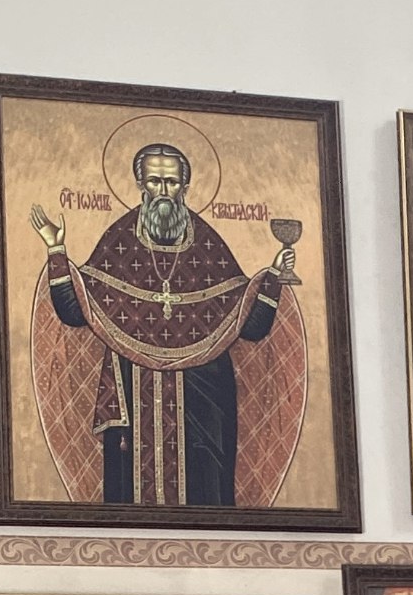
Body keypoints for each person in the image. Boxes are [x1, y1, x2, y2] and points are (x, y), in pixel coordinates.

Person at [32, 142, 291, 509]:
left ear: (185, 185)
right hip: (133, 383)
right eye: (155, 181)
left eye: (172, 182)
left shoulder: (208, 245)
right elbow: (76, 313)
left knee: (207, 487)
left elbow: (250, 328)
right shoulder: (119, 240)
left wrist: (274, 277)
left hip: (203, 391)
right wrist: (56, 251)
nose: (164, 191)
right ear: (141, 184)